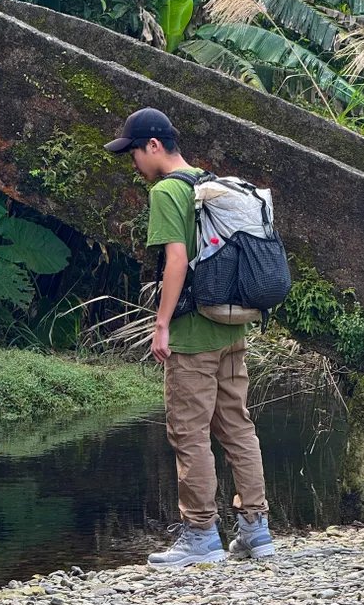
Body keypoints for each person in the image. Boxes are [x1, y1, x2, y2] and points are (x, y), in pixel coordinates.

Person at [104, 107, 275, 567]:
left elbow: (176, 262)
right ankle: (256, 532)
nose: (133, 164)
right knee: (237, 426)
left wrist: (161, 325)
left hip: (194, 333)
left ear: (154, 146)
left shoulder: (167, 191)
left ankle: (201, 534)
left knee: (189, 432)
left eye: (134, 153)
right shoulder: (209, 182)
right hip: (232, 325)